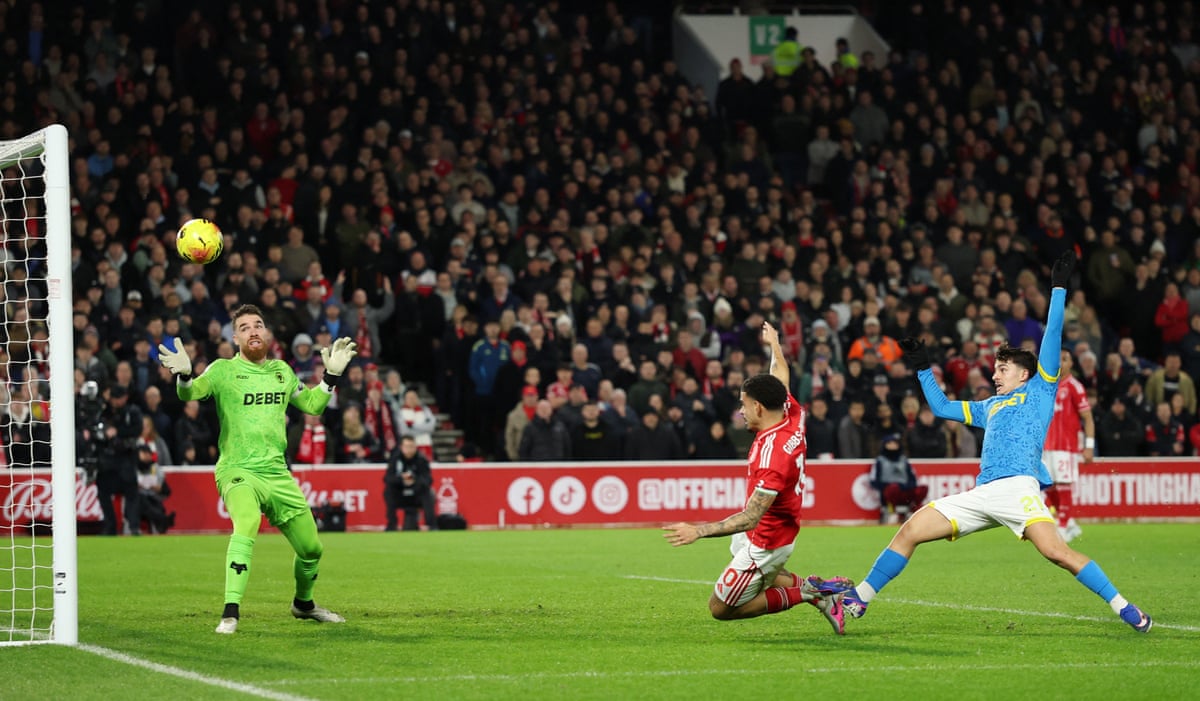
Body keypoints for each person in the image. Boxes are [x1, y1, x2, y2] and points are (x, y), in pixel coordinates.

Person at [839, 253, 1154, 633]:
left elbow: (1052, 334)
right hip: (982, 493)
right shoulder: (989, 406)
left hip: (1018, 488)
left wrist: (1057, 288)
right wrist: (923, 366)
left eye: (1002, 369)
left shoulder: (1040, 389)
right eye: (994, 369)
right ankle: (859, 598)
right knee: (910, 530)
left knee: (1058, 553)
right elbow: (940, 407)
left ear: (1025, 373)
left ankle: (1124, 607)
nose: (995, 374)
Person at [157, 303, 357, 634]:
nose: (253, 330)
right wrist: (183, 376)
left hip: (276, 473)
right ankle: (230, 612)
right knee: (247, 522)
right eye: (246, 327)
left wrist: (330, 378)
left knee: (311, 549)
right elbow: (190, 393)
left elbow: (312, 406)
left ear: (266, 333)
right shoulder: (222, 371)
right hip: (237, 469)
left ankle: (303, 605)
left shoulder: (282, 371)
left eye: (258, 325)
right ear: (235, 337)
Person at [662, 322, 854, 635]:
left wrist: (697, 531)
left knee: (720, 608)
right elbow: (780, 374)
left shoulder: (773, 455)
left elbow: (752, 517)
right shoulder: (791, 413)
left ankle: (812, 593)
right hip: (773, 531)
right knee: (756, 568)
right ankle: (820, 592)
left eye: (744, 404)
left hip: (766, 541)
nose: (741, 410)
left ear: (759, 407)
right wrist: (774, 344)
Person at [1042, 350, 1095, 543]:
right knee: (1047, 486)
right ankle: (1069, 521)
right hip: (1046, 446)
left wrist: (1089, 446)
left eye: (1065, 359)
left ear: (1071, 364)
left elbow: (1087, 418)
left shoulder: (1074, 386)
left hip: (1066, 447)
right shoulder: (1046, 386)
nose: (1060, 363)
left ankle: (1063, 526)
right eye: (1057, 359)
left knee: (1064, 485)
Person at [93, 384, 144, 536]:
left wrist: (118, 432)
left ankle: (134, 527)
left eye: (118, 398)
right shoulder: (103, 411)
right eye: (113, 398)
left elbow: (137, 430)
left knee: (132, 494)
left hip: (126, 458)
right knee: (103, 492)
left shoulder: (133, 412)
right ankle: (110, 526)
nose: (115, 401)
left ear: (125, 398)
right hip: (107, 460)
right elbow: (95, 429)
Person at [870, 434, 928, 524]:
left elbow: (913, 478)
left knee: (923, 488)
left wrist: (905, 486)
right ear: (885, 445)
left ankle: (913, 510)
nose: (893, 445)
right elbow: (874, 481)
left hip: (904, 489)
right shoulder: (880, 461)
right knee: (893, 488)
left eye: (895, 443)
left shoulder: (904, 460)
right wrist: (887, 486)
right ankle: (893, 512)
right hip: (890, 491)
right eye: (890, 443)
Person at [383, 435, 438, 531]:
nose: (410, 450)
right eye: (407, 447)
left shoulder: (421, 459)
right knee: (388, 491)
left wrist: (414, 481)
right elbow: (387, 478)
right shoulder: (395, 459)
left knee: (428, 493)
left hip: (416, 495)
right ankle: (391, 525)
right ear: (401, 447)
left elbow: (428, 480)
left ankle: (432, 525)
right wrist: (401, 479)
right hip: (400, 494)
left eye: (412, 447)